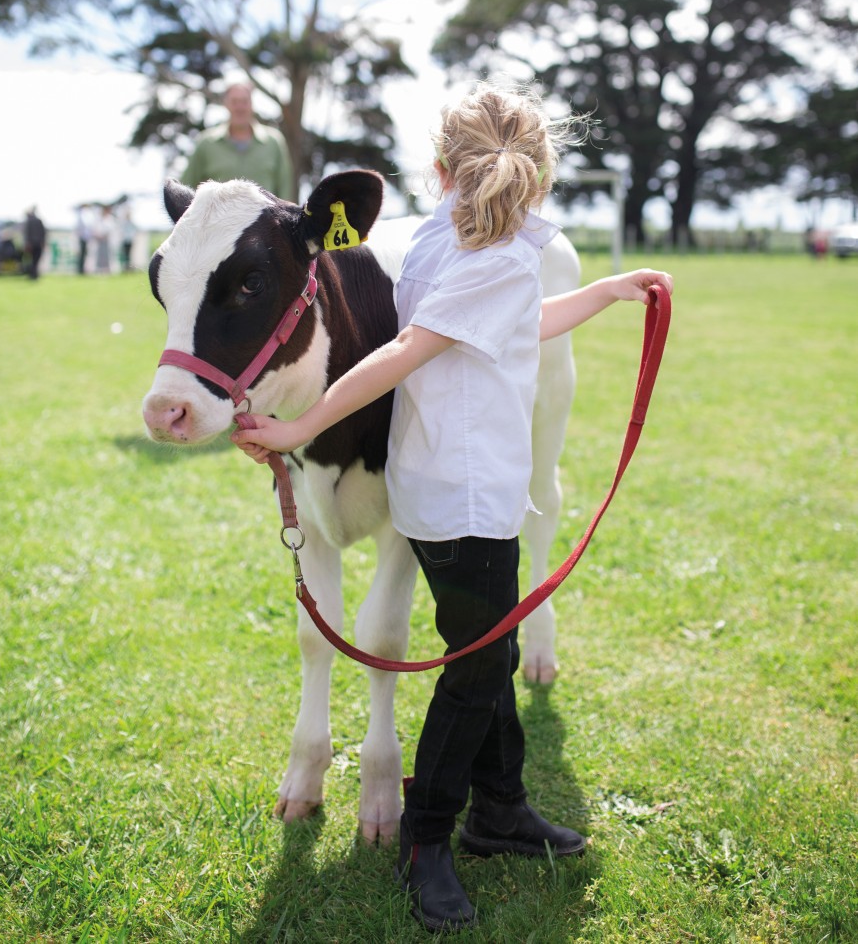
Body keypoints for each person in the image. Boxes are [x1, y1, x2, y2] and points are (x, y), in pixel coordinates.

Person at [231, 84, 674, 932]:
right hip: (470, 503)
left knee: (490, 649)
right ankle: (429, 835)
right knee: (475, 672)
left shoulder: (441, 243)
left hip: (440, 496)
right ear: (537, 180)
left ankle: (502, 806)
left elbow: (515, 321)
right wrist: (308, 423)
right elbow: (404, 350)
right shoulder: (499, 257)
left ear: (439, 172)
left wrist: (609, 292)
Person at [180, 80, 295, 200]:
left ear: (252, 104)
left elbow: (285, 190)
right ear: (226, 104)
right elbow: (185, 188)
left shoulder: (274, 142)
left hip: (267, 218)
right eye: (234, 102)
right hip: (218, 219)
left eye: (244, 101)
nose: (240, 107)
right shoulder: (206, 143)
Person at [22, 206, 47, 280]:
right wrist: (43, 242)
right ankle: (34, 275)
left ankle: (32, 275)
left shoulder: (29, 221)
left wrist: (27, 243)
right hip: (38, 243)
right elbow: (43, 233)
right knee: (36, 260)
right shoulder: (39, 220)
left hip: (31, 244)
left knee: (32, 260)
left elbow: (26, 234)